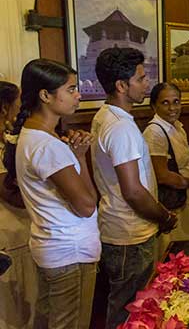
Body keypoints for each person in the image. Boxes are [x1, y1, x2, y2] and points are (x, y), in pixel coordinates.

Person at [3, 60, 99, 329]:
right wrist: (78, 160)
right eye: (70, 89)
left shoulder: (32, 135)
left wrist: (78, 156)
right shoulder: (47, 145)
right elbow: (87, 205)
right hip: (70, 251)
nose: (78, 95)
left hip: (53, 247)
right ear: (45, 95)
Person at [91, 47, 177, 328]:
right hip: (130, 233)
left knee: (127, 306)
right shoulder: (120, 127)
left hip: (120, 228)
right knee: (130, 312)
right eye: (141, 78)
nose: (146, 84)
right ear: (121, 85)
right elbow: (133, 191)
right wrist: (163, 216)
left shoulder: (106, 116)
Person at [143, 83, 189, 258]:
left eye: (176, 101)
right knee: (178, 257)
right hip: (174, 204)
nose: (172, 108)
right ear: (154, 106)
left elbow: (182, 162)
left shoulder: (177, 127)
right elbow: (162, 175)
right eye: (165, 103)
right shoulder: (155, 132)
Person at [0, 81, 41, 328]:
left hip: (21, 232)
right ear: (5, 108)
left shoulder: (8, 139)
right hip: (10, 236)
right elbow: (8, 192)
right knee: (16, 313)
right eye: (17, 103)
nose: (21, 108)